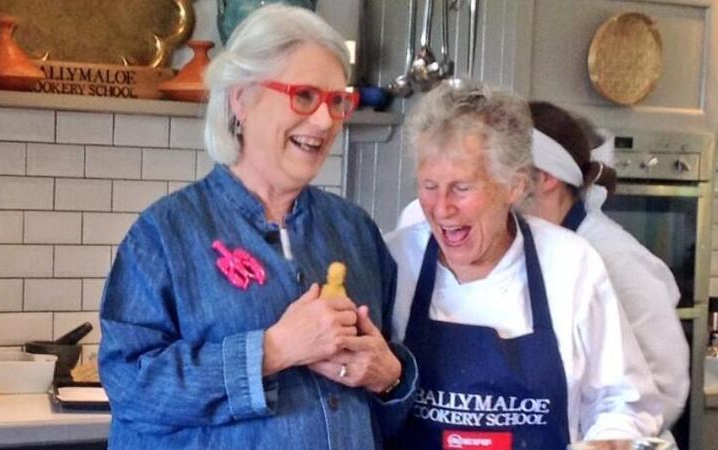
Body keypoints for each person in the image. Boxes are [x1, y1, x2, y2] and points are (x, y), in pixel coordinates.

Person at [98, 5, 415, 449]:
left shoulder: (354, 230)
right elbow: (132, 389)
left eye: (337, 101)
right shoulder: (165, 235)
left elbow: (392, 412)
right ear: (241, 99)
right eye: (304, 96)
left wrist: (390, 377)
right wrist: (273, 350)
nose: (325, 121)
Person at [385, 79, 663, 449]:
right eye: (429, 185)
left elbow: (622, 403)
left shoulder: (570, 265)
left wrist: (606, 443)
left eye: (462, 188)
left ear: (514, 187)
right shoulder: (394, 260)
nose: (441, 208)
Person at [526, 101, 689, 440]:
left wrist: (604, 437)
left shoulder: (613, 255)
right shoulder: (532, 249)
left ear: (545, 178)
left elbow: (666, 386)